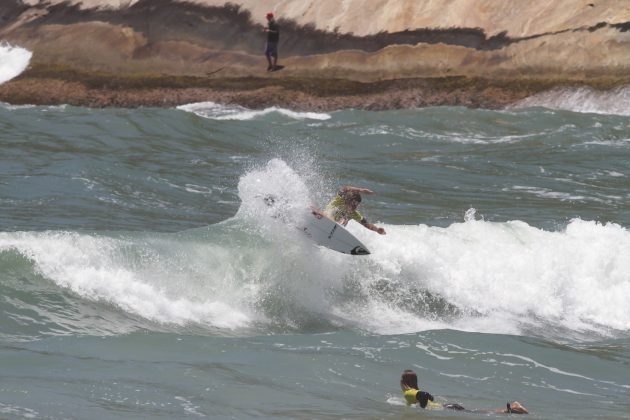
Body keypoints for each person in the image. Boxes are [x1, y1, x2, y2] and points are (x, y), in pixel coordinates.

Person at [400, 369, 529, 414]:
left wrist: (422, 410)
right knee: (480, 412)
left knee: (483, 413)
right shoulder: (414, 391)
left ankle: (513, 408)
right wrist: (429, 401)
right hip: (448, 407)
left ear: (403, 382)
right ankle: (513, 409)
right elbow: (426, 395)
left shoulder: (408, 393)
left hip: (448, 408)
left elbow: (424, 395)